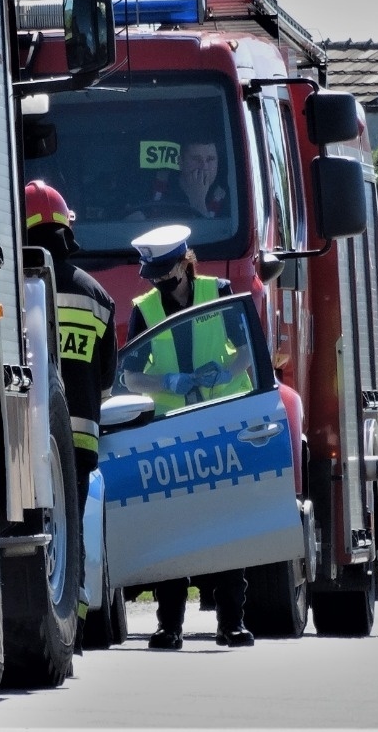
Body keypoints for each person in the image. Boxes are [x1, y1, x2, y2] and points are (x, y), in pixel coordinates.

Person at [122, 224, 255, 649]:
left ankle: (231, 622)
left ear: (185, 264)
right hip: (171, 429)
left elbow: (252, 347)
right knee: (173, 529)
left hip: (221, 422)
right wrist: (168, 382)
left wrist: (229, 373)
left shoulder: (218, 292)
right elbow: (129, 375)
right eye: (154, 276)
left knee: (228, 528)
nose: (160, 283)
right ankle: (169, 626)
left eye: (167, 274)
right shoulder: (143, 309)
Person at [24, 180, 118, 646]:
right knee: (71, 532)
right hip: (80, 442)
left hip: (24, 439)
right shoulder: (98, 297)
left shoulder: (13, 290)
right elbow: (105, 377)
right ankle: (72, 626)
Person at [126, 137, 227, 221]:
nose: (204, 167)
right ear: (180, 162)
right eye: (196, 159)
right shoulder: (151, 185)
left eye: (210, 159)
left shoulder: (229, 197)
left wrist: (198, 202)